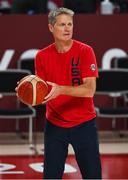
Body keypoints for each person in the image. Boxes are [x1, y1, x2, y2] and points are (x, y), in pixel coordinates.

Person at [35, 7, 102, 179]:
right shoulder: (41, 56)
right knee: (50, 176)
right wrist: (30, 96)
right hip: (55, 125)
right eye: (62, 24)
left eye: (70, 24)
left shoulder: (85, 51)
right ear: (51, 27)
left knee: (93, 176)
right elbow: (42, 96)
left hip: (84, 124)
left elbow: (90, 90)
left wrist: (61, 89)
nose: (67, 29)